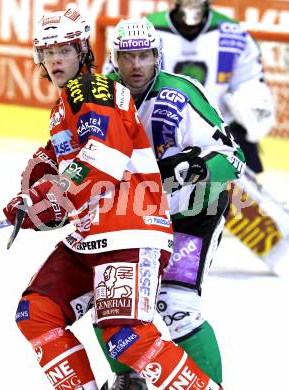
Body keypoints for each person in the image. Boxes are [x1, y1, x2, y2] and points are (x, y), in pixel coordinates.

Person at [3, 8, 222, 390]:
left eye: (65, 50)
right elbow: (57, 157)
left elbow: (103, 157)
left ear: (83, 49)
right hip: (90, 235)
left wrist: (54, 198)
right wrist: (32, 192)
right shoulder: (68, 103)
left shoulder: (92, 90)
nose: (56, 59)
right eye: (48, 51)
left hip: (128, 231)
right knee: (35, 311)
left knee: (126, 334)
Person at [96, 17, 245, 389]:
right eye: (127, 57)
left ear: (157, 56)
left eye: (144, 55)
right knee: (110, 301)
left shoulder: (181, 94)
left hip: (191, 213)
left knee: (177, 308)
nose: (135, 66)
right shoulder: (102, 94)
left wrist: (191, 167)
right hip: (131, 217)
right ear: (113, 58)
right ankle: (128, 379)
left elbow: (232, 159)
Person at [146, 0, 275, 174]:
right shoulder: (149, 28)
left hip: (222, 132)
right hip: (160, 133)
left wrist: (250, 102)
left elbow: (250, 82)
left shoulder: (233, 33)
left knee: (242, 199)